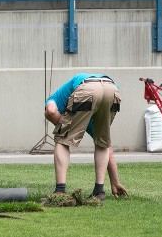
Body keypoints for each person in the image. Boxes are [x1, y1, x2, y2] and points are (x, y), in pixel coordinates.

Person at [44, 73, 128, 201]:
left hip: (87, 90)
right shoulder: (86, 116)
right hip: (112, 89)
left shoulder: (56, 99)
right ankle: (99, 192)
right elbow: (106, 146)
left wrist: (65, 130)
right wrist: (115, 181)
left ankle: (60, 190)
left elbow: (50, 111)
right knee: (102, 142)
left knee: (62, 140)